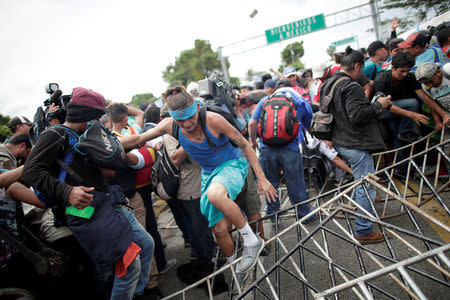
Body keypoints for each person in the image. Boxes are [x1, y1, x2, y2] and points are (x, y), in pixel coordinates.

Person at [123, 86, 277, 286]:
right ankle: (237, 269)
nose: (186, 124)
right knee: (219, 230)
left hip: (231, 165)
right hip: (208, 173)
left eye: (190, 118)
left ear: (196, 108)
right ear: (172, 117)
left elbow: (244, 144)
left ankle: (251, 240)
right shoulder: (170, 125)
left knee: (215, 195)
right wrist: (112, 145)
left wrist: (262, 178)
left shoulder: (213, 119)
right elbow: (140, 138)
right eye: (180, 120)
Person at [22, 87, 154, 300]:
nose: (101, 119)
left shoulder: (83, 132)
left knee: (146, 245)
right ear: (86, 115)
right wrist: (67, 191)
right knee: (128, 266)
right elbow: (30, 171)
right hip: (86, 210)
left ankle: (135, 294)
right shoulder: (55, 135)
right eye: (97, 115)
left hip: (108, 200)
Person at [326, 48, 391, 244]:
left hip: (341, 140)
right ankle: (363, 231)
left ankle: (360, 208)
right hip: (355, 142)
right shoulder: (350, 86)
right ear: (357, 66)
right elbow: (357, 115)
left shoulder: (329, 83)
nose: (361, 74)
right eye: (361, 69)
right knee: (366, 186)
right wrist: (380, 104)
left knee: (360, 182)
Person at [248, 86, 316, 225]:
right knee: (295, 183)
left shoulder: (265, 101)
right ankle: (304, 215)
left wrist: (253, 141)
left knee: (271, 183)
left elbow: (252, 123)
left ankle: (274, 215)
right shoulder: (300, 102)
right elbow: (309, 126)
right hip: (290, 149)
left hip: (266, 149)